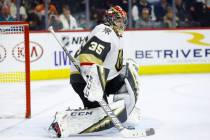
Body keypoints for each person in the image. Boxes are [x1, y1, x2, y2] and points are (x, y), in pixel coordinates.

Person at [49, 5, 141, 137]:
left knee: (130, 68)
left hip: (103, 79)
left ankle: (126, 111)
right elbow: (88, 57)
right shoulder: (105, 31)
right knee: (100, 116)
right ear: (110, 19)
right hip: (85, 78)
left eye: (123, 20)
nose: (122, 23)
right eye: (118, 20)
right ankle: (64, 120)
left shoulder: (116, 35)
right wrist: (94, 83)